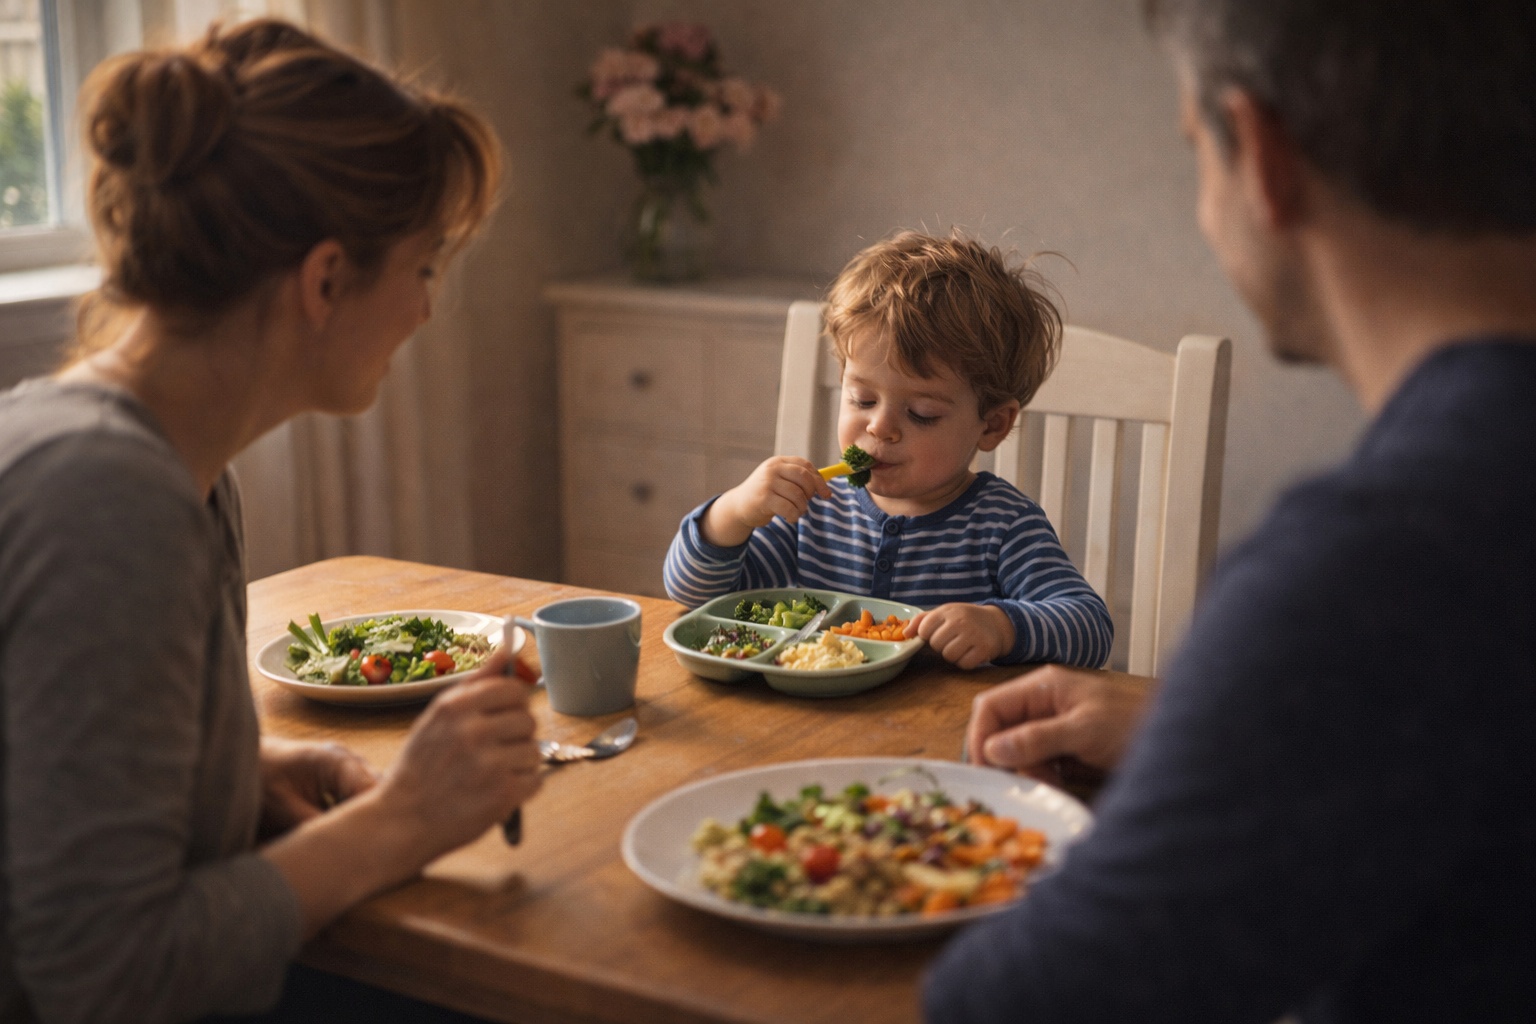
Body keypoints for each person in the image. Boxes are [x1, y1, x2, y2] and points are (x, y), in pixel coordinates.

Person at [925, 0, 1536, 1020]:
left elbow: (1019, 1001)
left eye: (1192, 154)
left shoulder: (1382, 566)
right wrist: (1202, 724)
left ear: (1262, 158)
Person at [0, 20, 541, 1024]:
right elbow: (103, 977)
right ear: (326, 280)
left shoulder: (163, 462)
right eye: (422, 269)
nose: (426, 312)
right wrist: (402, 820)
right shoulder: (107, 502)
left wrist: (233, 770)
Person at [663, 232, 1114, 669]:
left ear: (992, 424)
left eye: (921, 413)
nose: (879, 426)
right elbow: (694, 594)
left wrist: (1002, 626)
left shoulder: (1003, 525)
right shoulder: (815, 508)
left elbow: (1091, 629)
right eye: (862, 400)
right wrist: (733, 512)